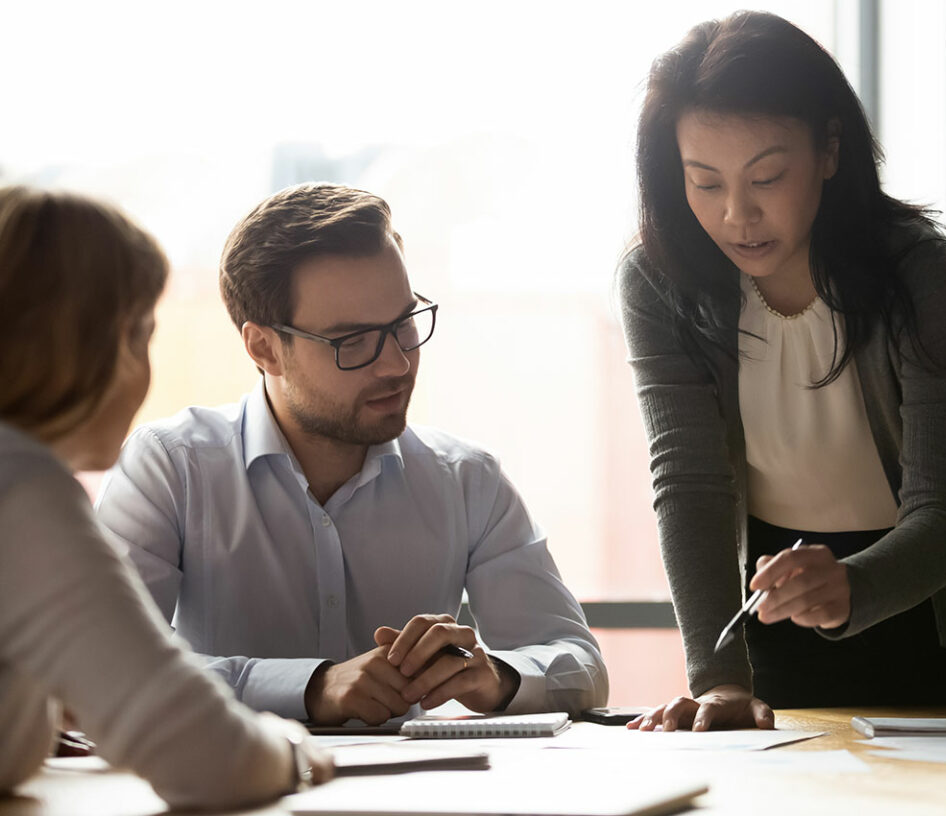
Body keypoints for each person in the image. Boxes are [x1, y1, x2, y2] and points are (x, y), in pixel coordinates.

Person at [620, 11, 946, 732]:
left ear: (831, 150)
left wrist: (852, 585)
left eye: (767, 177)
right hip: (783, 617)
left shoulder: (925, 277)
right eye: (705, 183)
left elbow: (943, 513)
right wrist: (717, 679)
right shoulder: (660, 283)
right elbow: (688, 484)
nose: (738, 215)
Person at [96, 183, 607, 726]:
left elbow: (580, 665)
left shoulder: (467, 480)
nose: (396, 364)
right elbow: (103, 668)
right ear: (264, 348)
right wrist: (310, 687)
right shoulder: (172, 468)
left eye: (403, 324)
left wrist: (497, 676)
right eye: (354, 341)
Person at [0, 186, 332, 807]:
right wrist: (295, 750)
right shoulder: (21, 494)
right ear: (108, 341)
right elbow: (213, 760)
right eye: (145, 334)